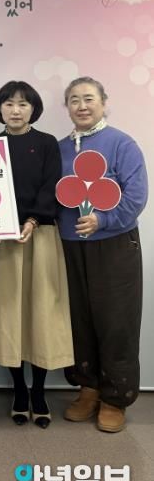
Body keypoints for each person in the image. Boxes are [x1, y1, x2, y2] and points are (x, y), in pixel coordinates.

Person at [0, 81, 74, 428]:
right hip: (0, 241)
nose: (15, 110)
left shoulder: (46, 143)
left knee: (41, 313)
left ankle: (39, 391)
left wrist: (32, 220)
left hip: (39, 236)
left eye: (23, 104)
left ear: (34, 109)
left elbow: (51, 187)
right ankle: (18, 389)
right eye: (8, 103)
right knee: (9, 315)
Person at [57, 76, 147, 432]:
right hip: (70, 245)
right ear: (67, 107)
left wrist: (104, 220)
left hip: (115, 244)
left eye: (89, 98)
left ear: (104, 102)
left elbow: (136, 195)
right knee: (78, 319)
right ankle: (88, 389)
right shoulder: (60, 148)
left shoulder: (122, 143)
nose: (82, 106)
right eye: (74, 100)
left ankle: (115, 398)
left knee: (116, 322)